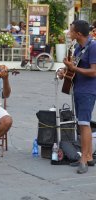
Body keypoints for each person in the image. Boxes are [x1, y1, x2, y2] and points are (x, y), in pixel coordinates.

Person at [57, 20, 96, 174]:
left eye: (71, 31)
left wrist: (74, 68)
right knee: (81, 123)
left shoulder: (93, 47)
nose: (69, 33)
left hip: (88, 90)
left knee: (84, 123)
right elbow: (75, 69)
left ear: (78, 33)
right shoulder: (78, 48)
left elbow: (94, 72)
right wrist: (65, 72)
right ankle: (89, 156)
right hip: (79, 89)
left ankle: (84, 159)